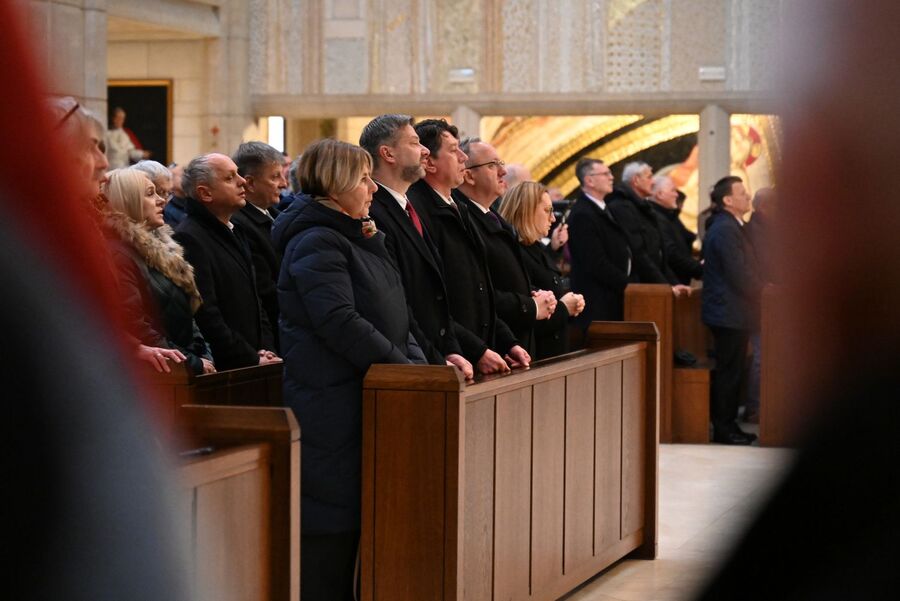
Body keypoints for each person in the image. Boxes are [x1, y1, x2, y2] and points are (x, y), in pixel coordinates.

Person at [271, 138, 427, 600]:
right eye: (362, 179)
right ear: (335, 184)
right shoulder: (316, 240)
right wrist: (401, 370)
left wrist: (418, 370)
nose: (373, 189)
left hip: (369, 392)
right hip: (332, 401)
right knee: (331, 530)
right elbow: (339, 320)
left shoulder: (358, 235)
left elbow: (398, 315)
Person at [48, 96, 184, 373]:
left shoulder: (85, 223)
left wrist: (133, 347)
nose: (103, 164)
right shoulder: (34, 230)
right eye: (91, 148)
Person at [407, 118, 531, 373]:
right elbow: (433, 302)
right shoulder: (420, 212)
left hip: (479, 350)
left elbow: (480, 290)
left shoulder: (460, 209)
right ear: (429, 162)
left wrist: (507, 341)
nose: (463, 157)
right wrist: (477, 350)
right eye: (453, 150)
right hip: (456, 358)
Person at [359, 113, 473, 378]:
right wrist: (434, 359)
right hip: (412, 364)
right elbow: (398, 302)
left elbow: (436, 296)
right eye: (414, 143)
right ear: (388, 153)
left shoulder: (409, 207)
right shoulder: (373, 212)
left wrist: (451, 348)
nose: (424, 151)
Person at [103, 168, 216, 376]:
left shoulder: (160, 248)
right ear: (128, 200)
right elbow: (137, 326)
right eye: (150, 194)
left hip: (183, 367)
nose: (161, 200)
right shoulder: (120, 255)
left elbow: (187, 313)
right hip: (159, 376)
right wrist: (191, 363)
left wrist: (204, 354)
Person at [174, 153, 280, 370]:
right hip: (229, 367)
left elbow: (256, 299)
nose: (242, 182)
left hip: (257, 358)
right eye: (230, 178)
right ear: (205, 193)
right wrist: (250, 357)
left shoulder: (236, 229)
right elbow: (207, 314)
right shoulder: (190, 238)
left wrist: (266, 348)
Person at [456, 137, 556, 356]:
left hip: (515, 342)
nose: (503, 171)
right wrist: (529, 305)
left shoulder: (494, 219)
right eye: (493, 165)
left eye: (501, 164)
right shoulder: (463, 221)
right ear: (469, 175)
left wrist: (533, 293)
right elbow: (477, 292)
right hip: (493, 348)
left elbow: (506, 278)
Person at [701, 175, 761, 445]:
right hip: (727, 312)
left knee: (734, 372)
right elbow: (738, 273)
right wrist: (762, 291)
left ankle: (730, 425)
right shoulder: (724, 229)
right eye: (742, 193)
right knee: (729, 373)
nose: (748, 196)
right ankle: (723, 429)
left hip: (735, 312)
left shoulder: (734, 225)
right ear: (727, 200)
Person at [500, 181, 585, 359]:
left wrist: (571, 304)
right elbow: (527, 315)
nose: (553, 219)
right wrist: (564, 308)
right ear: (527, 211)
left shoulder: (536, 248)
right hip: (536, 354)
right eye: (547, 211)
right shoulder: (514, 252)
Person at [567, 158, 633, 341]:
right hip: (597, 301)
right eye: (606, 174)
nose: (611, 177)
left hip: (611, 296)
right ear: (589, 180)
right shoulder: (582, 214)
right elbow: (595, 262)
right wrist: (627, 284)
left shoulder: (603, 208)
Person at [231, 141, 288, 351]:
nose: (283, 183)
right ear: (250, 183)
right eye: (275, 177)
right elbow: (265, 291)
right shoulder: (241, 224)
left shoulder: (277, 216)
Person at [607, 161, 691, 296]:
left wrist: (673, 283)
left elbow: (659, 255)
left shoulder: (644, 208)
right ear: (636, 180)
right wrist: (665, 286)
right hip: (639, 288)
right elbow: (639, 253)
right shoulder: (622, 207)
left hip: (652, 285)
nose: (653, 181)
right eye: (649, 177)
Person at [650, 175, 703, 285]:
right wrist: (699, 269)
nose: (677, 194)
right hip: (671, 283)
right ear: (660, 195)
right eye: (673, 190)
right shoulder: (656, 218)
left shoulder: (670, 215)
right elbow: (671, 253)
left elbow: (688, 237)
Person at [164, 162, 188, 227]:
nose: (187, 179)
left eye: (186, 174)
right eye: (182, 175)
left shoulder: (196, 201)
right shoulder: (166, 211)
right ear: (170, 182)